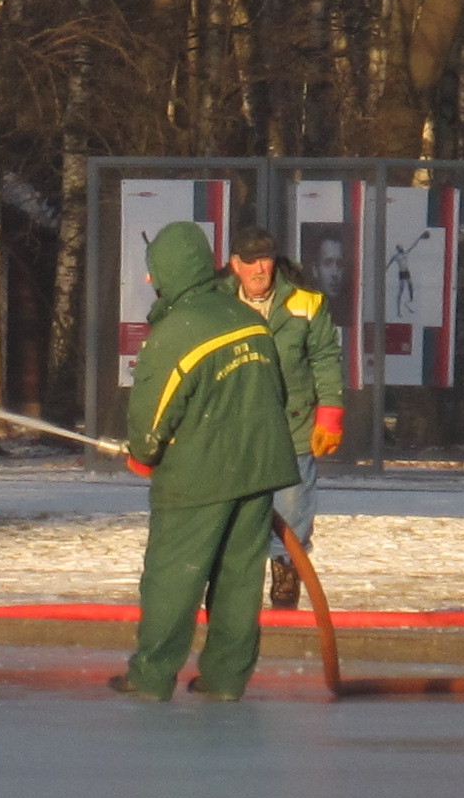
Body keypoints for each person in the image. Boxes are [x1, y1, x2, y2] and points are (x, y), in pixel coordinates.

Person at [117, 220, 300, 701]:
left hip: (199, 475)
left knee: (173, 577)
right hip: (260, 469)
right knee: (240, 580)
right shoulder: (247, 319)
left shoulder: (176, 331)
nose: (148, 281)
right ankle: (225, 679)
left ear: (168, 272)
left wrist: (143, 454)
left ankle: (152, 677)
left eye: (153, 271)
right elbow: (276, 392)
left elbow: (153, 413)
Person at [229, 225, 348, 609]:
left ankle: (285, 580)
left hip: (292, 426)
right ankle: (236, 593)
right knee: (236, 518)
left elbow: (326, 358)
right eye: (250, 261)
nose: (259, 269)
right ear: (236, 265)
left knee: (293, 513)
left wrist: (329, 413)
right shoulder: (217, 304)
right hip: (237, 427)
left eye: (265, 259)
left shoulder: (306, 303)